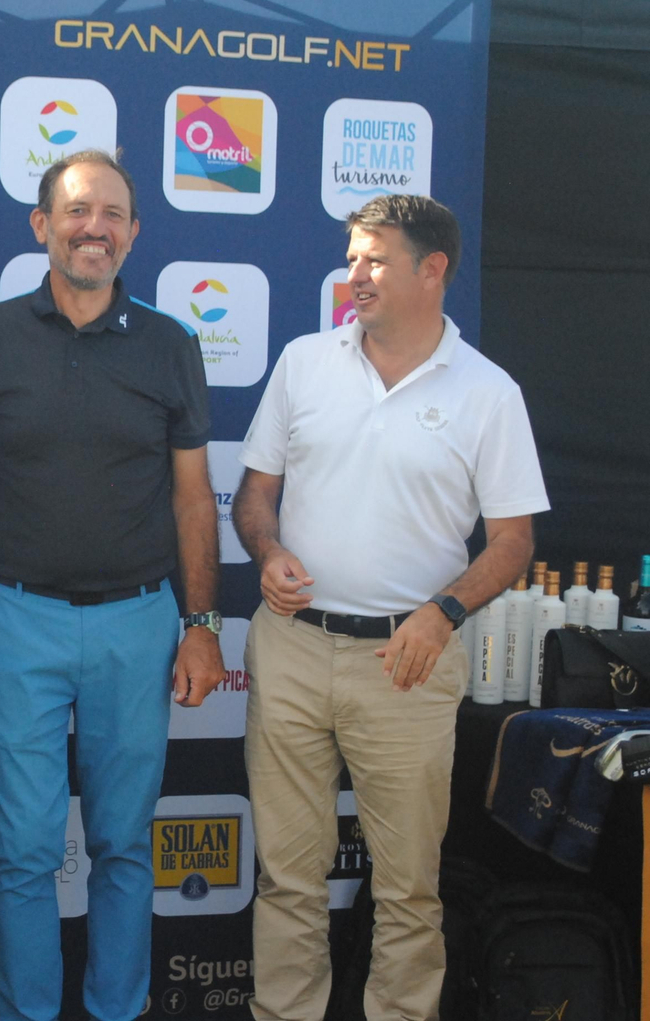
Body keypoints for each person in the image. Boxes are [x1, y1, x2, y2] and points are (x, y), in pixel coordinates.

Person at [232, 194, 548, 1021]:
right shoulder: (304, 362)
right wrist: (268, 555)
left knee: (408, 888)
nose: (355, 274)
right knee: (286, 879)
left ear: (432, 269)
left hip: (407, 664)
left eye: (375, 258)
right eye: (353, 256)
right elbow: (254, 495)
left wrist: (441, 613)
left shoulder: (489, 391)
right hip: (293, 646)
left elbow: (513, 542)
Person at [0, 148, 226, 1021]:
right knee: (23, 852)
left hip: (139, 626)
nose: (92, 227)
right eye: (75, 211)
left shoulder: (172, 344)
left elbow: (191, 495)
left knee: (124, 848)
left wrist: (203, 620)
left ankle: (117, 1010)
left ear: (133, 234)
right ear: (42, 226)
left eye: (110, 214)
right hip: (16, 619)